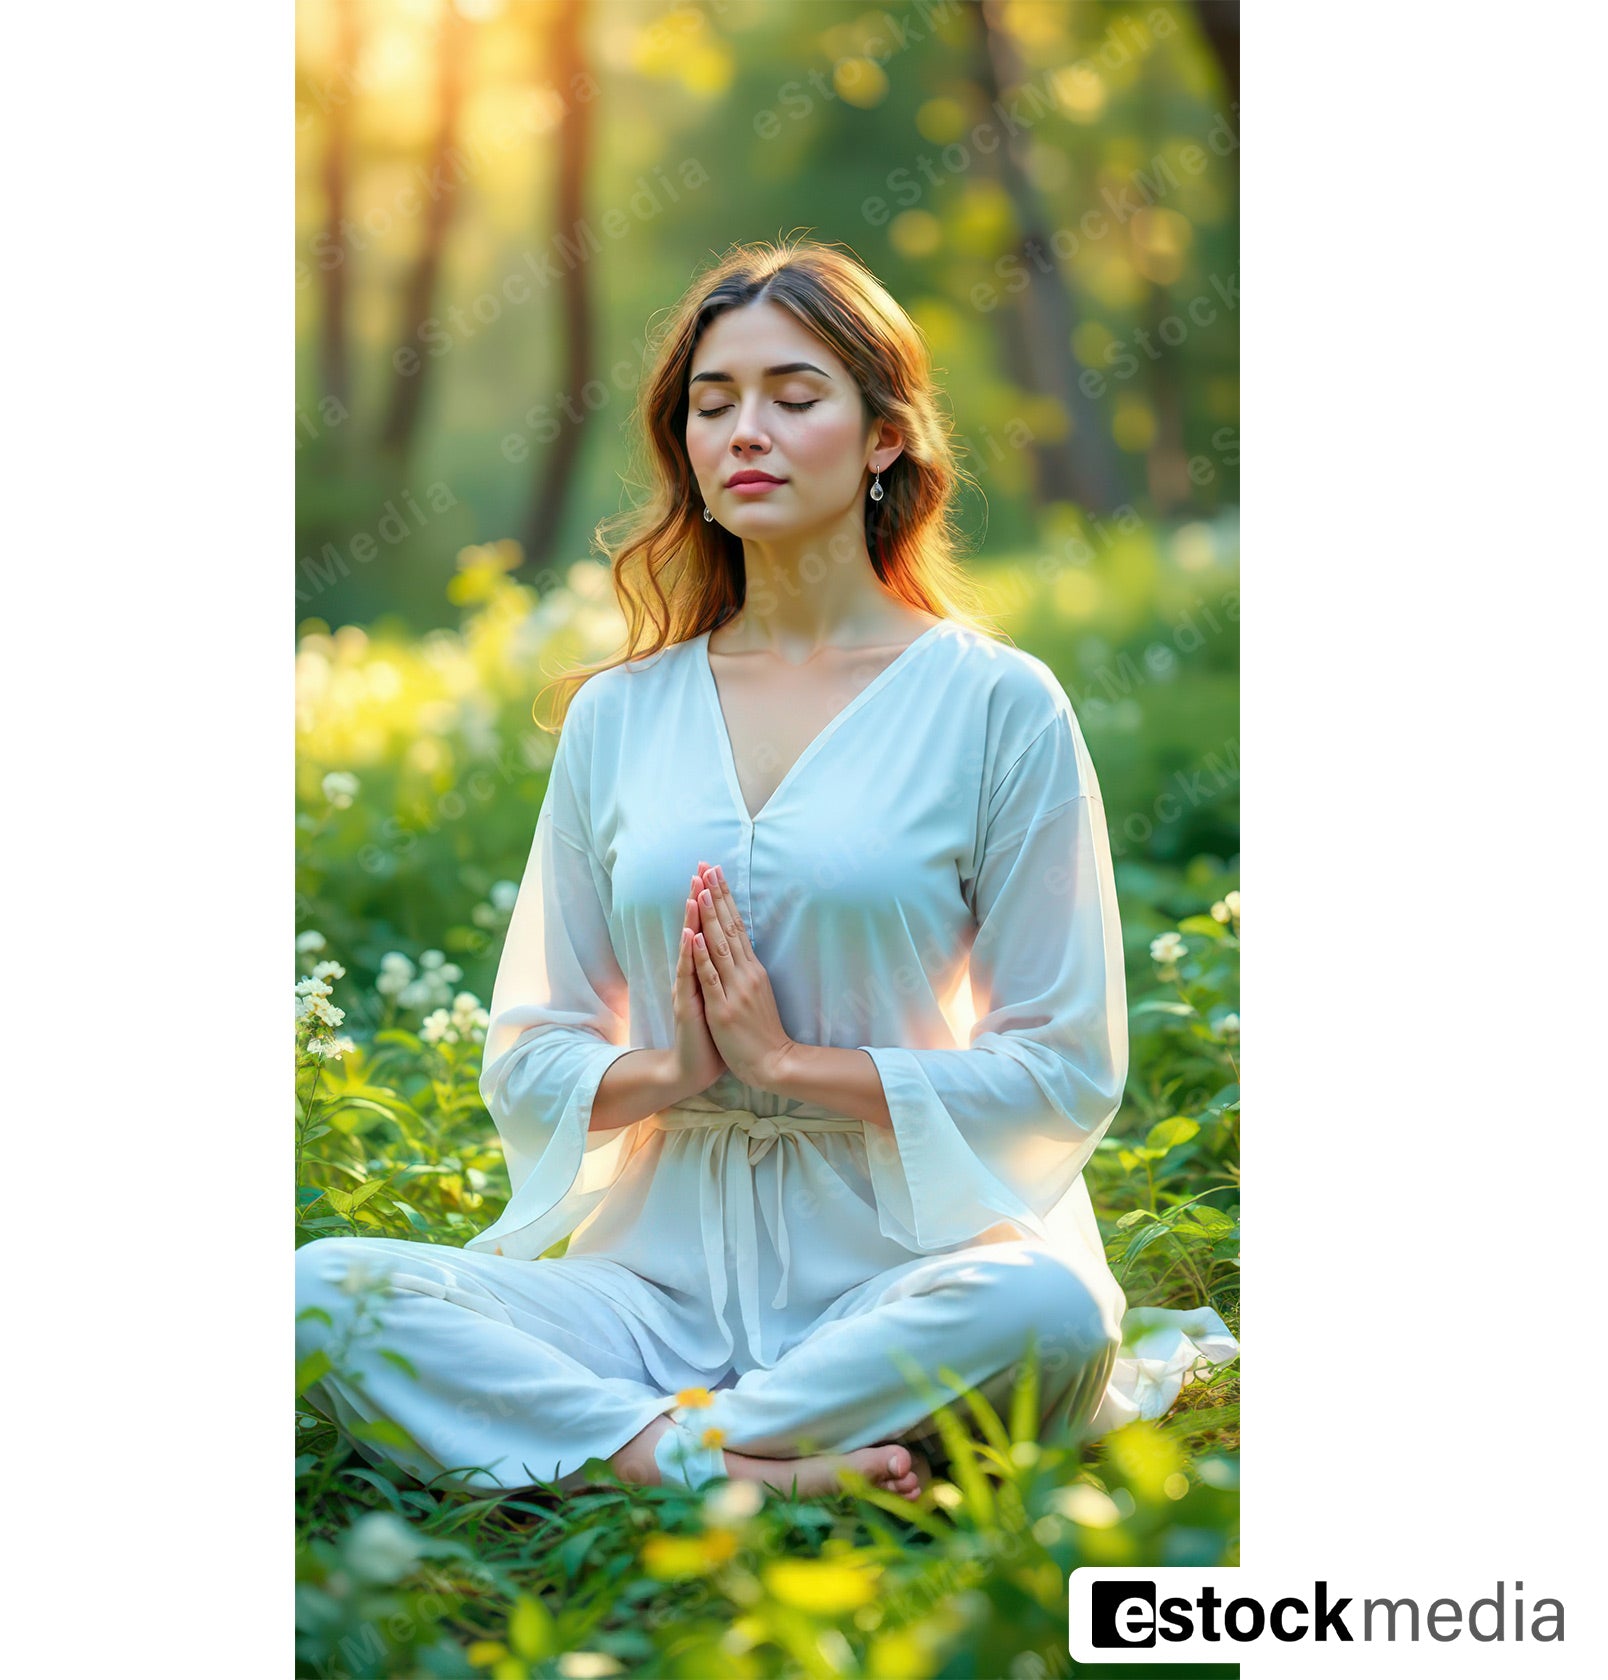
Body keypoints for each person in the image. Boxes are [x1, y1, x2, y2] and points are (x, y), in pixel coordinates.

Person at [295, 240, 1237, 1501]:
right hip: (646, 1289)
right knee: (313, 1294)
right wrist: (675, 1070)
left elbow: (1064, 1064)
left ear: (884, 436)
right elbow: (531, 1046)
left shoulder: (997, 704)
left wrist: (795, 1067)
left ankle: (635, 1450)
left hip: (900, 1271)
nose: (748, 429)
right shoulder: (618, 717)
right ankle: (753, 1468)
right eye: (713, 401)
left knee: (1050, 1311)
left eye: (795, 397)